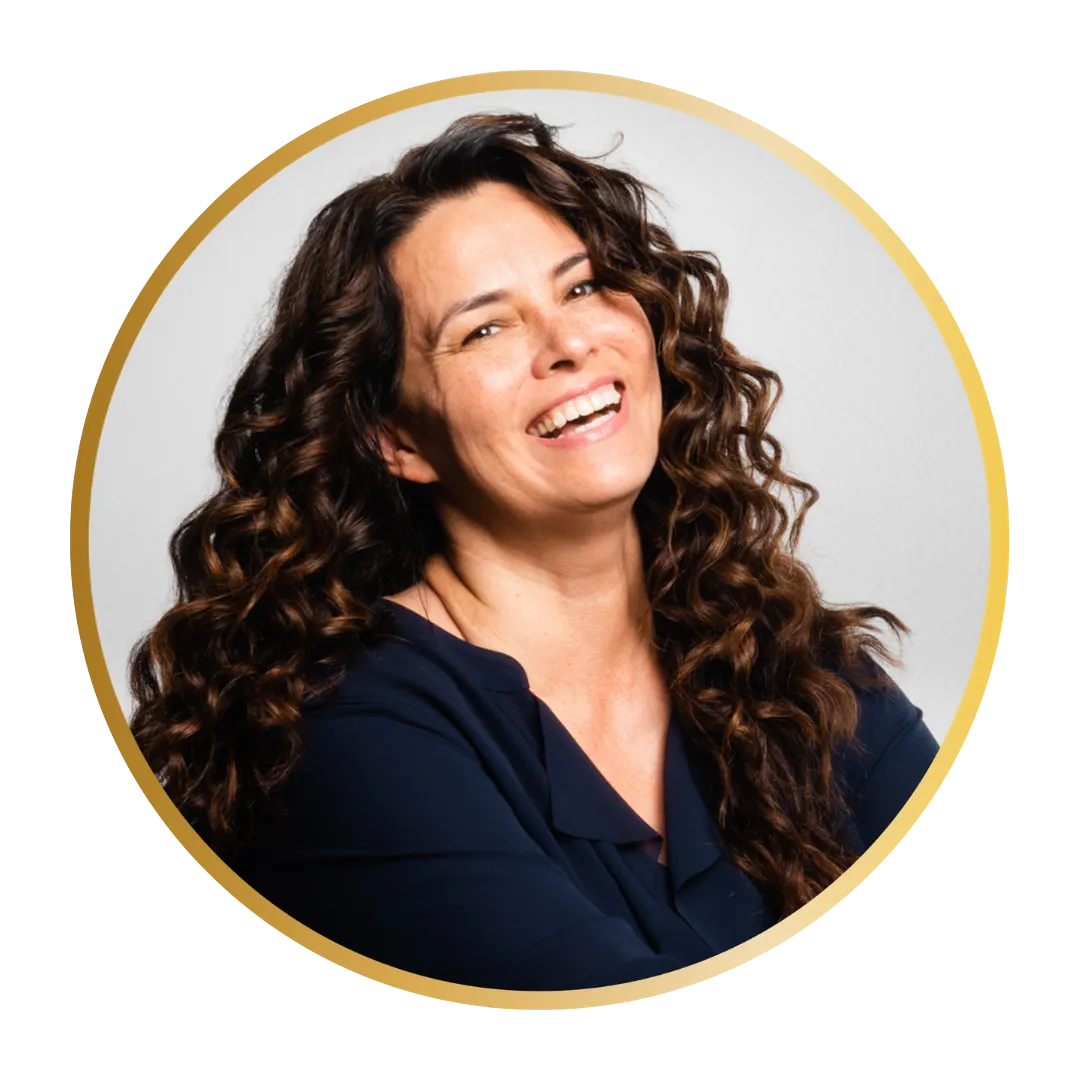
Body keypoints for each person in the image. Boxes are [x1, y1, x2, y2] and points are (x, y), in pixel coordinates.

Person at [129, 112, 940, 992]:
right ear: (397, 439)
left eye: (583, 287)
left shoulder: (791, 658)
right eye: (485, 329)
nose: (569, 345)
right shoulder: (343, 731)